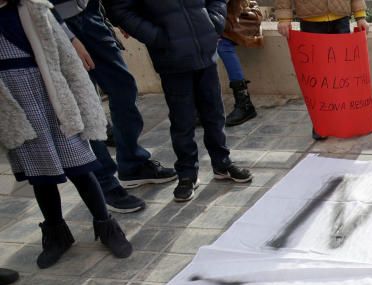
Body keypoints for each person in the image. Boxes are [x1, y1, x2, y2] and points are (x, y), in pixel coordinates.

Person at [0, 0, 132, 269]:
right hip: (14, 103)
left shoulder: (33, 8)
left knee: (81, 167)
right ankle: (56, 234)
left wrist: (78, 93)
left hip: (52, 96)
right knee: (41, 174)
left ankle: (106, 225)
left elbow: (66, 56)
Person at [107, 0, 252, 203]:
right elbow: (119, 9)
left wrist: (213, 23)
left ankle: (222, 162)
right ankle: (187, 174)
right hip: (171, 57)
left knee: (214, 113)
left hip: (205, 50)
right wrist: (157, 37)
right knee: (182, 120)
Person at [51, 0, 176, 214]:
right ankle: (105, 183)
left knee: (124, 88)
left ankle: (133, 165)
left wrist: (118, 16)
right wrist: (68, 37)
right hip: (58, 22)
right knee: (87, 104)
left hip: (90, 13)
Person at [274, 0, 368, 141]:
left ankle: (345, 119)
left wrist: (360, 16)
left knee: (342, 74)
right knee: (318, 75)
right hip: (311, 21)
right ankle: (321, 124)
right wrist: (284, 18)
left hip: (340, 19)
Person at [218, 0, 262, 127]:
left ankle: (244, 103)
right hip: (219, 16)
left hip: (243, 15)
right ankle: (202, 106)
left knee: (222, 45)